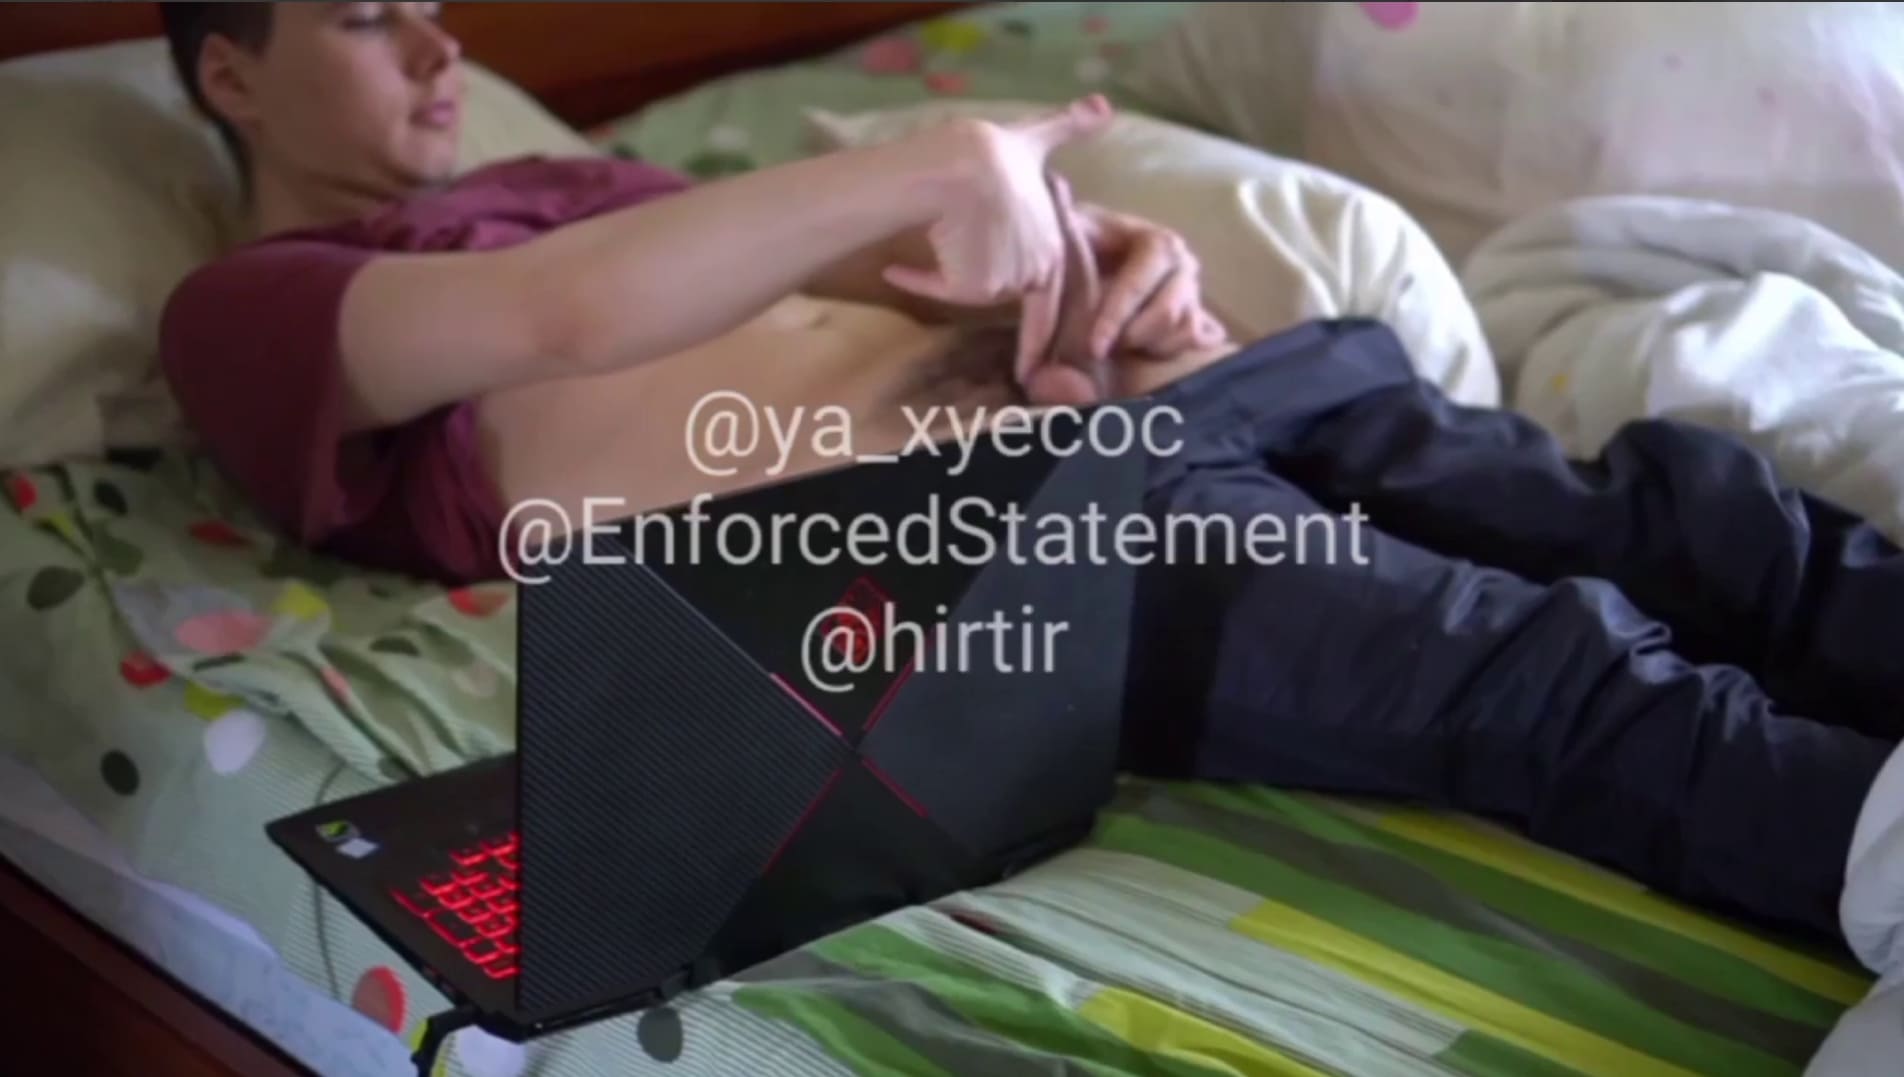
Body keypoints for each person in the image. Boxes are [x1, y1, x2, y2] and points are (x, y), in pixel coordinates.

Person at [156, 1, 1904, 964]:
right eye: (371, 18)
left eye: (437, 10)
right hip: (979, 536)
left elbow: (904, 280)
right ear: (231, 73)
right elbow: (570, 320)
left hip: (1145, 406)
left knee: (1686, 520)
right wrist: (938, 159)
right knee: (1546, 671)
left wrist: (1105, 269)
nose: (443, 50)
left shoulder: (582, 183)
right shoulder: (250, 309)